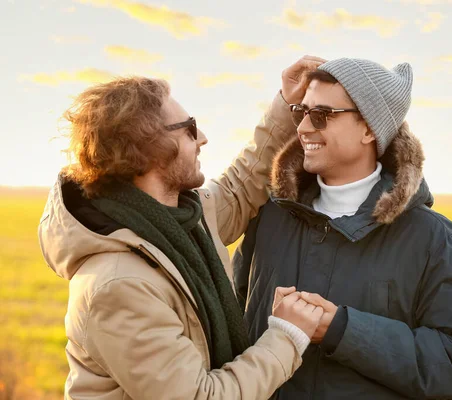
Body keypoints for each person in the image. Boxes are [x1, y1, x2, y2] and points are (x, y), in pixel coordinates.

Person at [38, 56, 328, 400]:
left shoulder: (182, 218)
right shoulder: (119, 286)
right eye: (189, 129)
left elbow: (240, 186)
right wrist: (287, 335)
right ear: (147, 150)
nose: (202, 138)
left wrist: (285, 102)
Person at [234, 58, 452, 399]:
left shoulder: (433, 239)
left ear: (370, 128)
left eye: (322, 115)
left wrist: (342, 330)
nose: (302, 128)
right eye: (302, 111)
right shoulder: (269, 218)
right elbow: (232, 325)